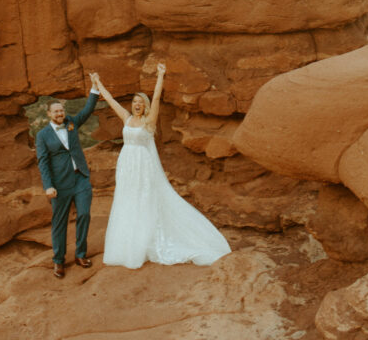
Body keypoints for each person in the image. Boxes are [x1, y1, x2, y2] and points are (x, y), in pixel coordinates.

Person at [91, 64, 231, 269]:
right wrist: (97, 82)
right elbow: (110, 100)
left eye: (140, 102)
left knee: (144, 198)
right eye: (134, 101)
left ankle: (148, 240)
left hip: (143, 165)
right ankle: (129, 243)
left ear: (144, 105)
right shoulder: (127, 119)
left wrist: (160, 75)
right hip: (127, 164)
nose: (137, 104)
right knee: (127, 198)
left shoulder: (149, 121)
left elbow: (156, 98)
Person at [35, 79, 99, 278]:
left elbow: (86, 111)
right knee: (60, 222)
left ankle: (80, 254)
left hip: (80, 178)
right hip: (59, 185)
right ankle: (59, 261)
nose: (60, 114)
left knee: (84, 215)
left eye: (61, 111)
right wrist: (48, 186)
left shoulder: (71, 123)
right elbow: (43, 162)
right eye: (55, 112)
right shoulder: (43, 135)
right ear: (48, 114)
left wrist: (94, 89)